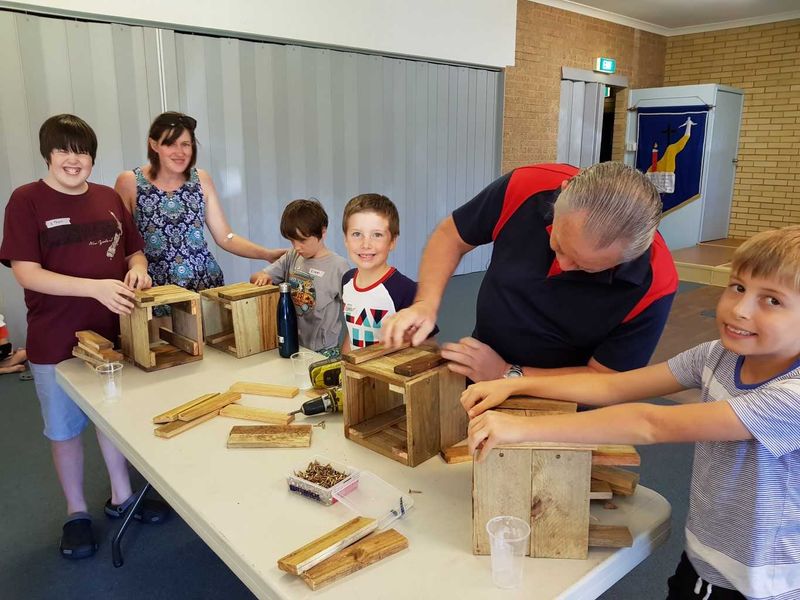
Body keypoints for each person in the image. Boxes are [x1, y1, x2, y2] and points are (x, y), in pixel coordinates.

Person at [461, 225, 800, 600]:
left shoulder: (792, 398)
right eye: (737, 287)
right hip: (708, 556)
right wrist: (515, 381)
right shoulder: (718, 355)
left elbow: (650, 424)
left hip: (764, 585)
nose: (740, 309)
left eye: (772, 301)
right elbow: (614, 386)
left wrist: (522, 428)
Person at [0, 114, 168, 560]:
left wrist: (138, 269)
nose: (73, 160)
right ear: (47, 154)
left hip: (113, 335)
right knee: (64, 430)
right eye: (63, 150)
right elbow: (26, 272)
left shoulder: (108, 198)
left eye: (82, 152)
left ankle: (122, 496)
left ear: (92, 157)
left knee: (113, 419)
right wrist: (94, 288)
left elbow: (134, 250)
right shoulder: (26, 200)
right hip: (55, 340)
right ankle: (75, 512)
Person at [380, 162, 678, 382]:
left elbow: (607, 379)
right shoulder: (527, 185)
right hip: (483, 362)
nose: (564, 265)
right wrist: (425, 304)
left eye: (586, 267)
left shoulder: (655, 282)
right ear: (561, 195)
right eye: (559, 245)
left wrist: (506, 373)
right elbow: (451, 236)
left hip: (562, 402)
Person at [115, 111, 285, 296]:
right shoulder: (129, 182)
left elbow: (225, 236)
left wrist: (267, 254)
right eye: (170, 144)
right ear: (154, 144)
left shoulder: (201, 179)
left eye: (185, 144)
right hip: (155, 291)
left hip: (205, 285)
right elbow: (121, 243)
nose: (180, 152)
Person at [251, 199, 348, 357]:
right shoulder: (292, 256)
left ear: (323, 231)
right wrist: (262, 277)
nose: (297, 247)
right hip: (294, 345)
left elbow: (353, 314)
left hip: (325, 351)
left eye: (303, 240)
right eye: (292, 240)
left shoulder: (338, 266)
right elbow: (257, 277)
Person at [340, 194, 436, 352]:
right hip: (355, 368)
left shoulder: (406, 289)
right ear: (346, 239)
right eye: (357, 234)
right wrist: (344, 363)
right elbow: (352, 332)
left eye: (377, 235)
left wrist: (411, 342)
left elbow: (430, 346)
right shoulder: (347, 280)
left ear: (392, 242)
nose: (366, 244)